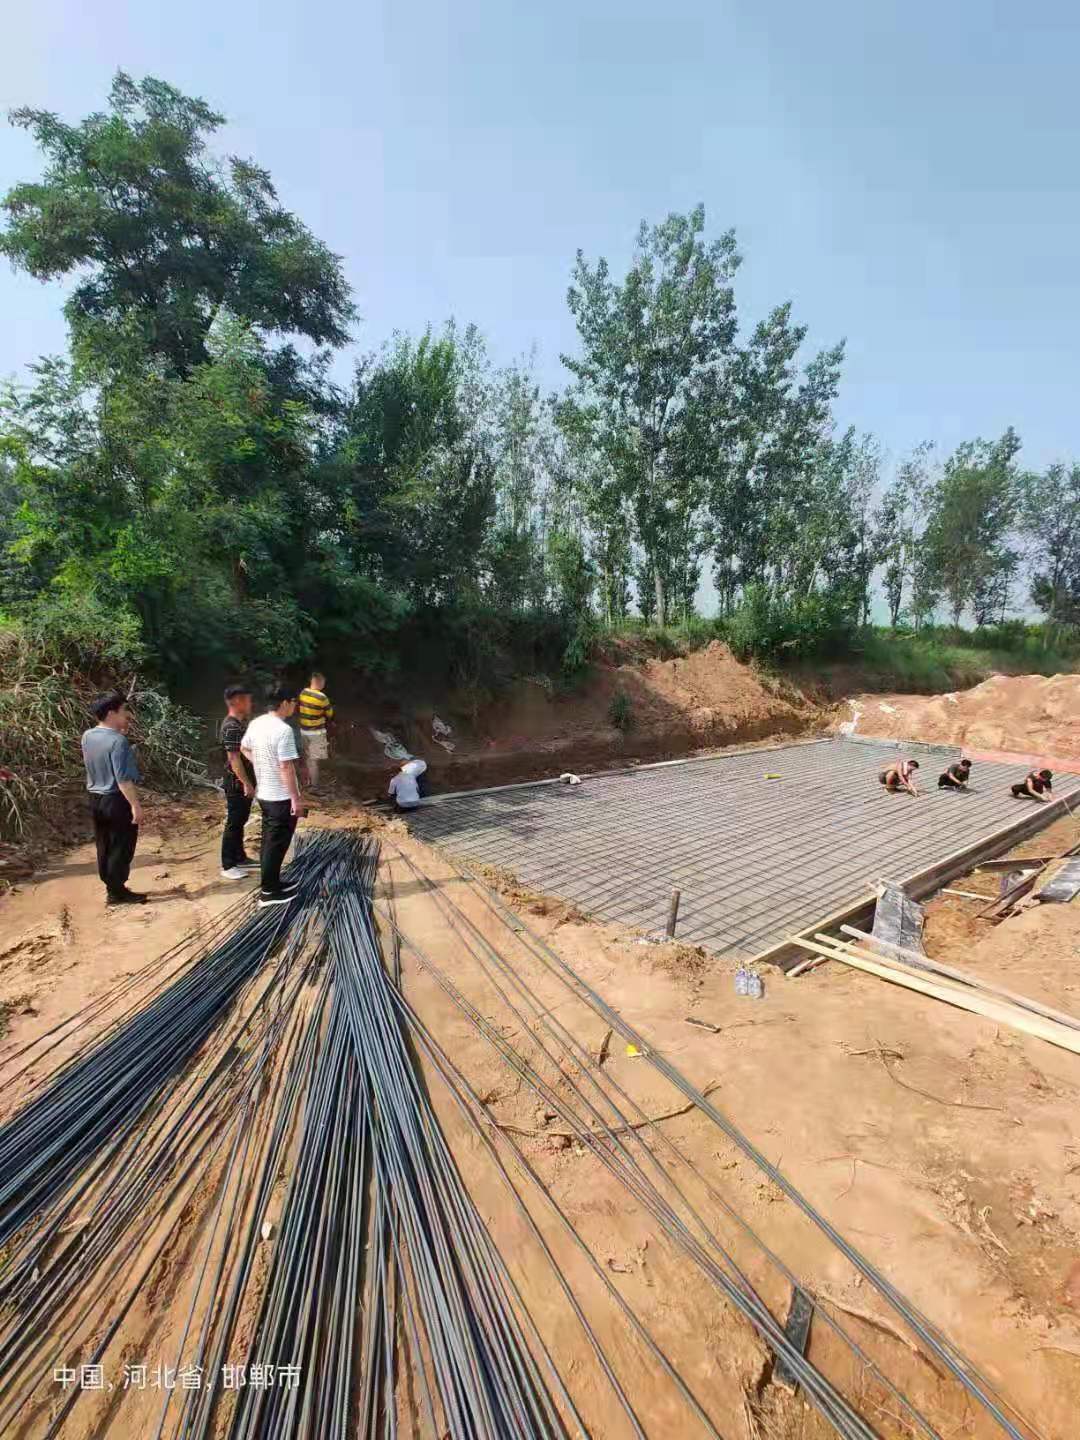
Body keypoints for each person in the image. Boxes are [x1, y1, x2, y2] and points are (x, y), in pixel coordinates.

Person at [242, 685, 306, 906]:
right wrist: (296, 799)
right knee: (275, 844)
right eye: (294, 702)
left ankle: (274, 883)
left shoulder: (256, 723)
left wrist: (261, 763)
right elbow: (286, 767)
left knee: (271, 841)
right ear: (285, 703)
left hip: (264, 793)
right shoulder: (283, 730)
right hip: (280, 796)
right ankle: (268, 893)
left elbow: (244, 748)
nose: (295, 707)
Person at [81, 692, 146, 906]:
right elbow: (123, 780)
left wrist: (119, 732)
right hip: (116, 799)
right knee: (122, 845)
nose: (127, 715)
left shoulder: (88, 735)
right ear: (111, 713)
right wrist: (135, 806)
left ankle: (112, 887)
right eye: (124, 711)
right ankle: (117, 892)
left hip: (96, 799)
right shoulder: (118, 741)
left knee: (105, 843)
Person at [219, 685, 260, 880]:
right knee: (234, 822)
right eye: (247, 699)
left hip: (244, 782)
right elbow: (234, 759)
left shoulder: (240, 724)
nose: (250, 703)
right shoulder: (231, 727)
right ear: (236, 701)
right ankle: (228, 864)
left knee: (241, 820)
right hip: (236, 784)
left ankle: (240, 857)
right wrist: (246, 783)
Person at [297, 670, 334, 790]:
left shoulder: (303, 693)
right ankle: (314, 786)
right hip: (316, 732)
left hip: (303, 730)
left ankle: (304, 782)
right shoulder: (322, 697)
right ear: (320, 682)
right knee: (314, 760)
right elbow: (330, 714)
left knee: (306, 757)